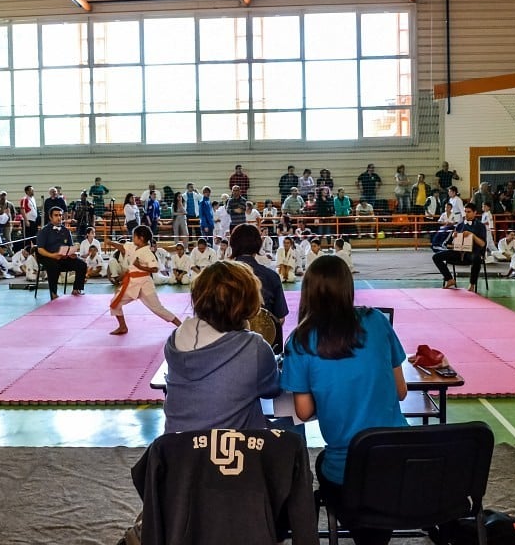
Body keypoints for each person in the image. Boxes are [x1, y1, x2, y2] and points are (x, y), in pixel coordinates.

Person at [280, 255, 408, 545]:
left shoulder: (300, 341)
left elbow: (303, 411)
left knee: (325, 463)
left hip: (348, 475)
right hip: (401, 464)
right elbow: (401, 391)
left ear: (308, 292)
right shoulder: (376, 321)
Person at [163, 260, 279, 433]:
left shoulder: (176, 338)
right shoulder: (254, 347)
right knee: (289, 423)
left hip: (177, 451)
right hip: (230, 454)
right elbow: (273, 389)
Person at [106, 225, 182, 336]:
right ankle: (122, 327)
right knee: (115, 302)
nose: (133, 238)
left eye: (134, 236)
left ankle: (181, 325)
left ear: (141, 238)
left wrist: (140, 267)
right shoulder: (132, 246)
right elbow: (122, 247)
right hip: (132, 283)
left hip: (145, 283)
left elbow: (155, 269)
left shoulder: (147, 253)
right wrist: (110, 243)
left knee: (157, 308)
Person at [432, 203, 487, 292]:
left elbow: (482, 244)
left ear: (475, 213)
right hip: (458, 252)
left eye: (469, 212)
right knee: (436, 257)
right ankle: (449, 279)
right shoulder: (460, 225)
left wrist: (472, 235)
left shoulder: (480, 226)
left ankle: (472, 284)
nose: (466, 214)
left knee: (476, 258)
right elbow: (451, 244)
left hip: (472, 252)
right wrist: (454, 237)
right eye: (465, 212)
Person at [36, 206, 87, 300]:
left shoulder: (66, 230)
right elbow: (40, 249)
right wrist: (52, 255)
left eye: (60, 215)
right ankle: (53, 293)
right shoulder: (44, 231)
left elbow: (70, 246)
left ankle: (77, 289)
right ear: (50, 217)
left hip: (63, 257)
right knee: (53, 265)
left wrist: (72, 253)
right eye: (56, 215)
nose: (59, 217)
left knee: (82, 264)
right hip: (48, 257)